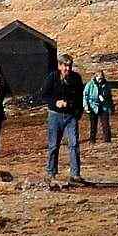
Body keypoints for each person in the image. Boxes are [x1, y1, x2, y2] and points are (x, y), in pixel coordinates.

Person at [38, 53, 85, 184]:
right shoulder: (52, 77)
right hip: (55, 115)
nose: (67, 69)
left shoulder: (76, 78)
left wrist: (77, 111)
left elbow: (80, 97)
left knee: (74, 144)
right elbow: (43, 95)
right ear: (59, 66)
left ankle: (75, 174)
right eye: (65, 66)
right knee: (54, 145)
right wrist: (55, 102)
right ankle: (51, 172)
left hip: (71, 116)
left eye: (69, 66)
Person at [83, 70, 114, 143]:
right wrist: (86, 106)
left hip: (104, 106)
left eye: (102, 78)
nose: (101, 80)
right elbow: (85, 96)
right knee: (93, 124)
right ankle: (92, 140)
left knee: (106, 124)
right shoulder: (89, 84)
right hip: (92, 106)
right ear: (95, 77)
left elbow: (109, 96)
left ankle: (107, 140)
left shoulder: (106, 85)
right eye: (99, 78)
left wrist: (111, 106)